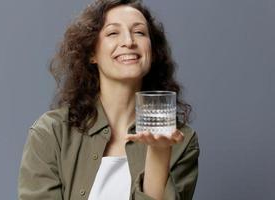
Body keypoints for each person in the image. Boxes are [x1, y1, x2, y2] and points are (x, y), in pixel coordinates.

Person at [18, 0, 199, 199]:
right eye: (113, 33)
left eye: (139, 32)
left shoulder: (181, 140)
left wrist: (159, 152)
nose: (129, 41)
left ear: (153, 52)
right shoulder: (51, 133)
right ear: (92, 53)